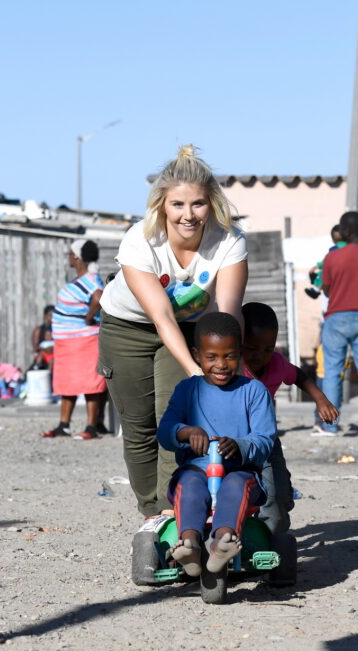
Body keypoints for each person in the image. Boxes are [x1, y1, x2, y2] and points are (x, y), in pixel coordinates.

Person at [98, 145, 248, 523]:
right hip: (127, 328)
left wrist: (225, 369)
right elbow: (161, 315)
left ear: (211, 203)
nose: (188, 215)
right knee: (139, 427)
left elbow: (228, 313)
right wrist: (196, 372)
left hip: (190, 328)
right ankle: (152, 513)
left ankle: (175, 508)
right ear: (162, 204)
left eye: (197, 204)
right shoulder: (139, 240)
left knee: (174, 417)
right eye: (178, 204)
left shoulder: (229, 240)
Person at [156, 312, 275, 576]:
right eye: (212, 357)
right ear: (197, 355)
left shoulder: (254, 391)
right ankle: (190, 544)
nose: (221, 364)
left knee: (236, 485)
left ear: (240, 353)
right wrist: (185, 432)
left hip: (240, 470)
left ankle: (223, 541)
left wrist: (241, 445)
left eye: (229, 356)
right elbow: (164, 432)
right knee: (189, 484)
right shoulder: (187, 389)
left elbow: (265, 439)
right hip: (196, 468)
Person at [240, 302, 338, 534]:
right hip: (235, 439)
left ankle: (272, 538)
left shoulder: (276, 364)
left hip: (266, 439)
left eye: (267, 349)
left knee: (279, 495)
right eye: (252, 348)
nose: (260, 356)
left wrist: (320, 399)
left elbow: (300, 377)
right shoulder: (232, 366)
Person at [315, 211, 358, 437]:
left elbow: (325, 288)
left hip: (336, 317)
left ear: (344, 230)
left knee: (333, 372)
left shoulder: (332, 257)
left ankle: (330, 426)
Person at [42, 240, 107, 439]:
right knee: (67, 382)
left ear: (77, 258)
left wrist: (88, 317)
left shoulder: (90, 279)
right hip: (69, 341)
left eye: (71, 254)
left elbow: (98, 296)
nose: (68, 257)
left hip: (83, 340)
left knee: (90, 383)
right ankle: (64, 424)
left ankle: (91, 427)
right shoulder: (82, 279)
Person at [304, 225, 345, 300]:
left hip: (336, 274)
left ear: (333, 240)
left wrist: (315, 267)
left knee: (322, 273)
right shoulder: (352, 246)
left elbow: (326, 262)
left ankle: (316, 289)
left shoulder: (334, 249)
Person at [30, 305, 55, 369]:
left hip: (55, 355)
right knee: (39, 358)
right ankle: (37, 368)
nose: (53, 317)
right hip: (43, 354)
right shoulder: (39, 330)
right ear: (45, 316)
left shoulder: (58, 330)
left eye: (55, 315)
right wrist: (44, 349)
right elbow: (35, 348)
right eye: (51, 315)